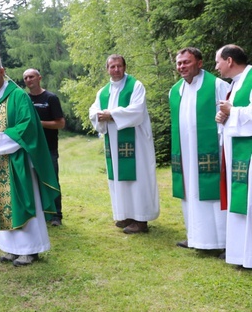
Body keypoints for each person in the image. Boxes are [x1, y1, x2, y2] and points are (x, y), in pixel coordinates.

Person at [0, 40, 59, 267]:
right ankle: (10, 248)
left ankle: (30, 250)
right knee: (3, 204)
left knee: (23, 201)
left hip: (17, 160)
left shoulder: (19, 96)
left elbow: (28, 126)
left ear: (2, 71)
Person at [89, 54, 160, 234]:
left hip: (136, 143)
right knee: (119, 180)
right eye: (112, 66)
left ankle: (141, 219)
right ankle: (126, 215)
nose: (116, 69)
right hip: (113, 143)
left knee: (138, 179)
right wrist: (99, 115)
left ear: (125, 66)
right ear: (107, 69)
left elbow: (137, 111)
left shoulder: (136, 85)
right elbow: (94, 110)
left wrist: (111, 114)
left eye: (119, 66)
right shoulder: (103, 91)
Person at [170, 47, 229, 254]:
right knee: (190, 195)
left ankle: (220, 241)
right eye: (179, 63)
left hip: (210, 151)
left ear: (200, 63)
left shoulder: (217, 85)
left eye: (186, 62)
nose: (182, 66)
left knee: (212, 196)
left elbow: (227, 116)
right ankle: (195, 237)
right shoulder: (175, 90)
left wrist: (222, 147)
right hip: (185, 154)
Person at [215, 44, 252, 269]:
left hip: (249, 154)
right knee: (240, 204)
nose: (216, 66)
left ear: (229, 61)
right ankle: (240, 255)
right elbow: (234, 114)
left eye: (218, 61)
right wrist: (224, 117)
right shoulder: (235, 84)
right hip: (236, 153)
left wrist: (232, 111)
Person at [23, 68, 66, 226]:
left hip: (48, 148)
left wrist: (38, 124)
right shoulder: (24, 99)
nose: (29, 80)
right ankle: (38, 214)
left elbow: (60, 123)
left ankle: (56, 215)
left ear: (39, 78)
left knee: (51, 179)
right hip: (29, 149)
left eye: (32, 76)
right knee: (31, 182)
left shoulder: (51, 98)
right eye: (26, 77)